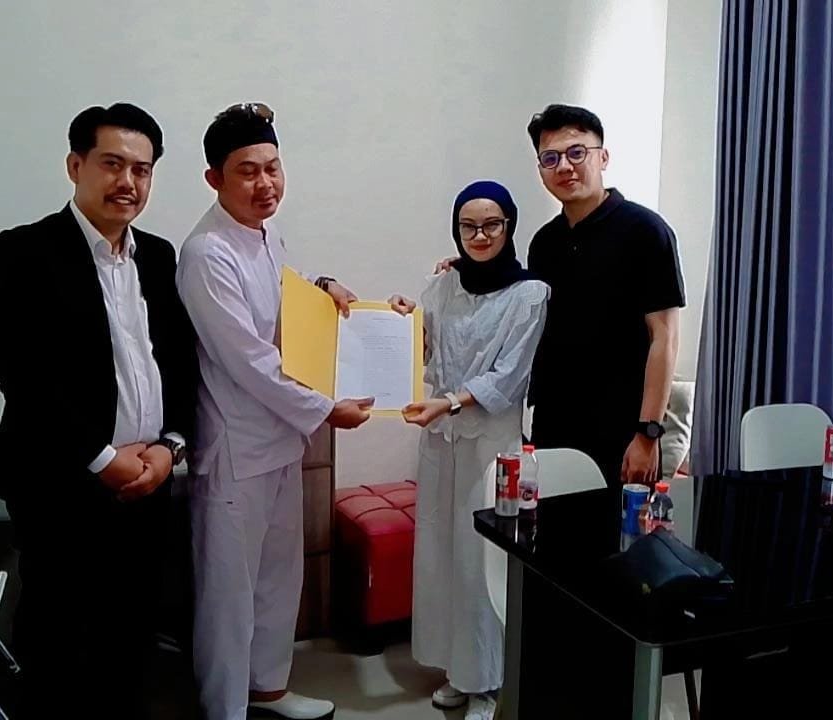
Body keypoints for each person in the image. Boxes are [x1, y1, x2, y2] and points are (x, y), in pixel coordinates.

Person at [0, 103, 196, 718]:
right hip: (62, 487)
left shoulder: (158, 256)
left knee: (131, 637)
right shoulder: (24, 251)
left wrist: (170, 448)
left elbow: (179, 362)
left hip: (149, 481)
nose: (127, 182)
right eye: (111, 164)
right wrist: (104, 459)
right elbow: (25, 379)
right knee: (58, 643)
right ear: (75, 166)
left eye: (141, 170)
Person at [176, 102, 374, 720]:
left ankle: (268, 689)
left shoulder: (265, 235)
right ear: (214, 178)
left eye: (273, 167)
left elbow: (286, 285)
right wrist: (326, 409)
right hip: (235, 450)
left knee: (278, 577)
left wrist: (326, 284)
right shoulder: (206, 254)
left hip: (281, 440)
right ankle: (225, 708)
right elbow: (251, 361)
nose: (265, 184)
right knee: (228, 593)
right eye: (248, 171)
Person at [393, 181, 549, 720]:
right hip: (441, 441)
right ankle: (457, 670)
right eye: (468, 226)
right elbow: (426, 352)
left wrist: (450, 401)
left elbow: (509, 377)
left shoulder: (530, 294)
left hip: (491, 446)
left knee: (484, 561)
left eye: (491, 225)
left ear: (509, 226)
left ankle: (489, 681)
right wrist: (401, 325)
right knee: (442, 554)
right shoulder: (441, 286)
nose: (479, 236)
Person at [525, 104, 685, 486]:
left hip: (623, 431)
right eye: (551, 158)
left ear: (603, 157)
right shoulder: (544, 244)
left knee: (619, 526)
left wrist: (648, 433)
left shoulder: (646, 231)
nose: (564, 166)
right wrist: (461, 269)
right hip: (554, 426)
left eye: (577, 152)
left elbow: (664, 337)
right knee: (551, 524)